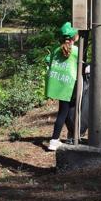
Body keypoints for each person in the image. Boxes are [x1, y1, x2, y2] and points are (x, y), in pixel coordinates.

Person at [44, 22, 79, 151]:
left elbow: (47, 60)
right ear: (75, 36)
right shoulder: (75, 51)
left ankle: (73, 135)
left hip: (59, 84)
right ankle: (54, 140)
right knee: (64, 112)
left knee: (66, 111)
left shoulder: (56, 49)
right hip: (70, 85)